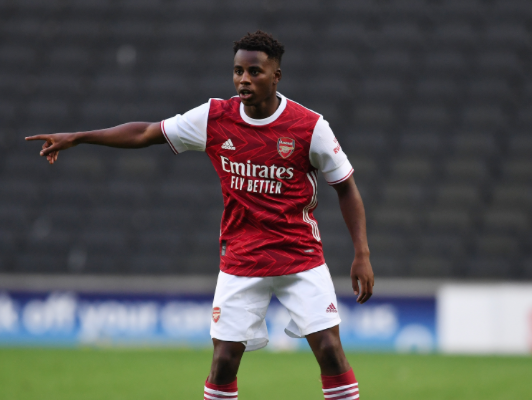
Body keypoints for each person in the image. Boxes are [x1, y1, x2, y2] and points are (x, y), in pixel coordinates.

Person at [27, 31, 374, 400]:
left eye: (254, 71)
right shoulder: (214, 117)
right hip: (242, 258)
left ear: (276, 77)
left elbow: (346, 187)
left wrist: (362, 254)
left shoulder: (309, 127)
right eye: (238, 71)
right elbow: (146, 132)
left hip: (299, 256)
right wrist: (79, 137)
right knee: (223, 360)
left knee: (330, 351)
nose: (244, 79)